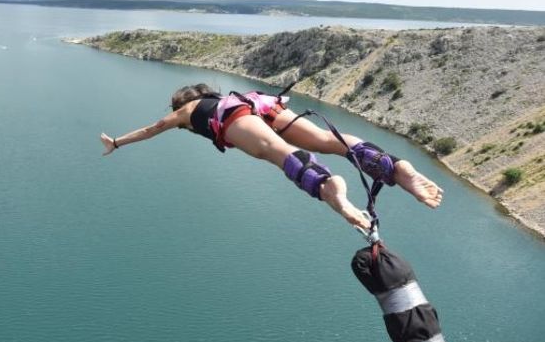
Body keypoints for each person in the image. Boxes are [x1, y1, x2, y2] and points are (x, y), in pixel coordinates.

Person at [99, 84, 443, 230]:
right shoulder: (224, 95)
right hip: (259, 102)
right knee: (326, 139)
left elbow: (152, 128)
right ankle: (395, 168)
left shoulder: (187, 110)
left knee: (276, 153)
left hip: (233, 117)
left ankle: (330, 190)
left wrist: (117, 141)